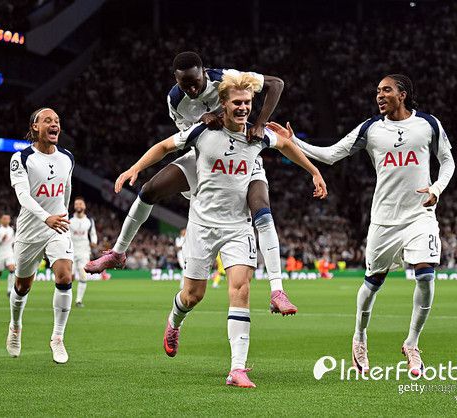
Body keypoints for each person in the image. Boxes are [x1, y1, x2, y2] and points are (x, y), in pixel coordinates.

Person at [114, 72, 327, 387]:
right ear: (223, 104)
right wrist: (135, 168)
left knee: (241, 289)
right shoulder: (203, 131)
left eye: (247, 103)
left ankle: (237, 369)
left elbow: (285, 145)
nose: (243, 108)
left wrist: (314, 171)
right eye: (237, 103)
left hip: (237, 228)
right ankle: (174, 321)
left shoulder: (256, 135)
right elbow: (164, 146)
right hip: (202, 226)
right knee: (192, 296)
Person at [267, 74, 455, 376]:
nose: (379, 95)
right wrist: (293, 141)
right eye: (377, 91)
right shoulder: (371, 129)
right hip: (384, 220)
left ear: (403, 94)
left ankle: (412, 343)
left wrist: (436, 189)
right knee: (372, 284)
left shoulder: (428, 124)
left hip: (420, 215)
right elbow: (330, 155)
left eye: (386, 90)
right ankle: (359, 337)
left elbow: (448, 161)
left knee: (425, 276)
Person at [86, 52, 298, 316]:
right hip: (206, 157)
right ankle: (118, 253)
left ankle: (277, 290)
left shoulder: (226, 77)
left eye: (195, 82)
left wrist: (261, 123)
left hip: (244, 153)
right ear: (176, 80)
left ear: (203, 73)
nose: (192, 89)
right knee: (149, 190)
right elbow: (185, 137)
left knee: (262, 210)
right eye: (185, 85)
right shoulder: (175, 100)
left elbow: (276, 83)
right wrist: (136, 167)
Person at [6, 107, 75, 364]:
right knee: (22, 286)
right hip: (30, 229)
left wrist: (63, 214)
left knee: (65, 275)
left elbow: (66, 189)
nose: (54, 124)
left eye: (57, 120)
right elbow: (22, 195)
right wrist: (46, 216)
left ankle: (57, 337)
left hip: (57, 226)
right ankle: (15, 325)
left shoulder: (67, 157)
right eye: (48, 120)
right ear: (35, 127)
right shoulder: (22, 158)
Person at [69, 196, 97, 307]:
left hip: (84, 251)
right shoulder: (69, 220)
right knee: (69, 277)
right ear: (74, 206)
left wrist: (94, 242)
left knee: (83, 275)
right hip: (70, 251)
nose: (78, 206)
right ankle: (67, 299)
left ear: (84, 206)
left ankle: (78, 301)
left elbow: (93, 234)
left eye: (80, 204)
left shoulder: (89, 220)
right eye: (76, 204)